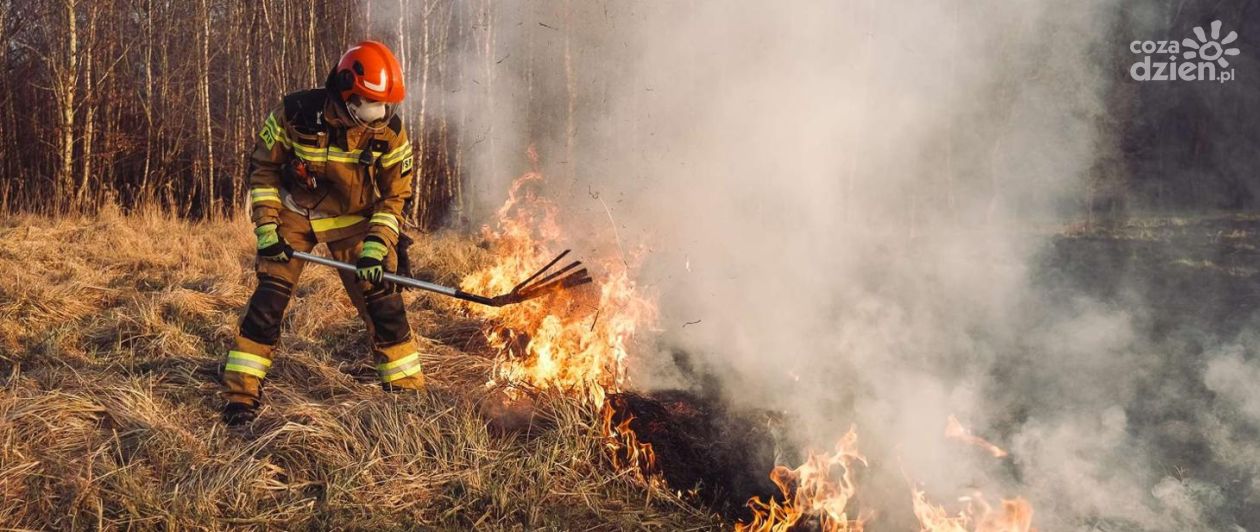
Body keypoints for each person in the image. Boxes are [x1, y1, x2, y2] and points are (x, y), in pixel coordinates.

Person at [221, 41, 424, 425]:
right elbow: (263, 169)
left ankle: (406, 397)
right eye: (371, 104)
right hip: (294, 216)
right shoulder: (296, 113)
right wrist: (267, 228)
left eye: (385, 106)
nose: (379, 114)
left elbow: (396, 195)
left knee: (384, 305)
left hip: (353, 221)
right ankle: (240, 398)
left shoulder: (389, 132)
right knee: (268, 303)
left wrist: (377, 247)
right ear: (347, 92)